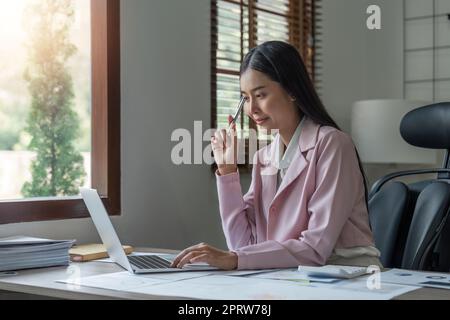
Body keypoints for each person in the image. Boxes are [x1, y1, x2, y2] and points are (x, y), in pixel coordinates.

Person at [171, 41, 381, 270]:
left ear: (291, 90)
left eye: (260, 95)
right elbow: (243, 244)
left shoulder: (333, 145)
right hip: (290, 276)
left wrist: (235, 258)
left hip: (347, 276)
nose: (252, 110)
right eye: (246, 98)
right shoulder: (264, 157)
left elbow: (315, 248)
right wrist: (227, 170)